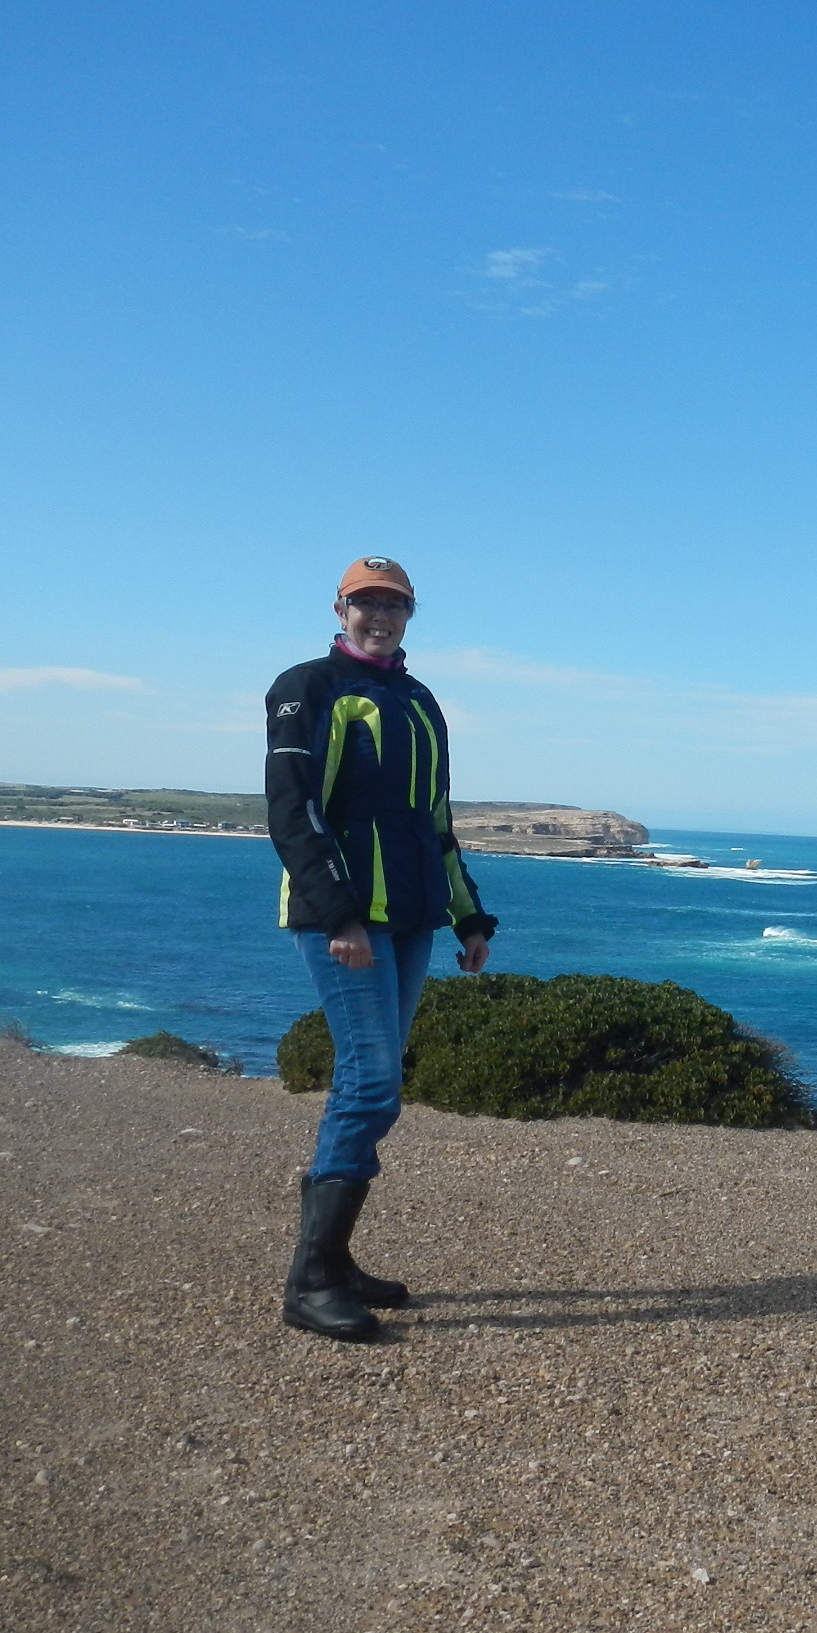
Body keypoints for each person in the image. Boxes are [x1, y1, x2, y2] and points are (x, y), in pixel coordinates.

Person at [264, 556, 496, 1341]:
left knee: (367, 1084)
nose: (380, 616)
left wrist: (469, 917)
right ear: (339, 609)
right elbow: (293, 811)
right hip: (346, 923)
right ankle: (308, 1281)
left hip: (411, 920)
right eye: (365, 603)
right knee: (372, 1086)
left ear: (409, 615)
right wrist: (341, 916)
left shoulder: (420, 701)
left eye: (394, 605)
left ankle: (333, 1264)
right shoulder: (310, 687)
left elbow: (436, 822)